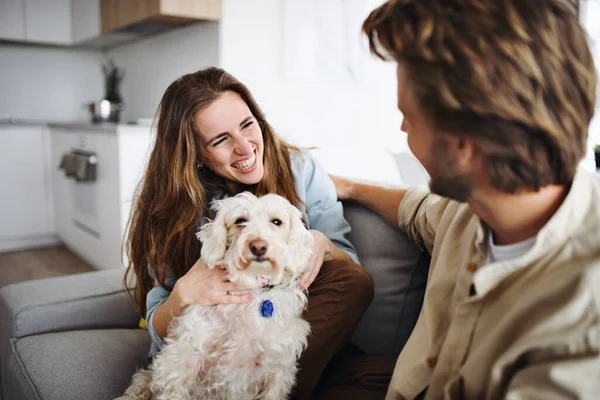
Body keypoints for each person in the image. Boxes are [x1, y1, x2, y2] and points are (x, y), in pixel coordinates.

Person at [332, 0, 600, 399]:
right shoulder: (472, 210)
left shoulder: (580, 326)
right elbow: (416, 208)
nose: (402, 125)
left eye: (409, 115)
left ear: (463, 146)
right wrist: (349, 188)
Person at [123, 67, 376, 399]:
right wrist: (184, 293)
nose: (245, 147)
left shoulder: (301, 169)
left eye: (247, 125)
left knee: (355, 283)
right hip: (216, 332)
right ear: (196, 154)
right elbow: (158, 323)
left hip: (292, 323)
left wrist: (322, 243)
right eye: (221, 140)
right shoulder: (176, 203)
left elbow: (348, 272)